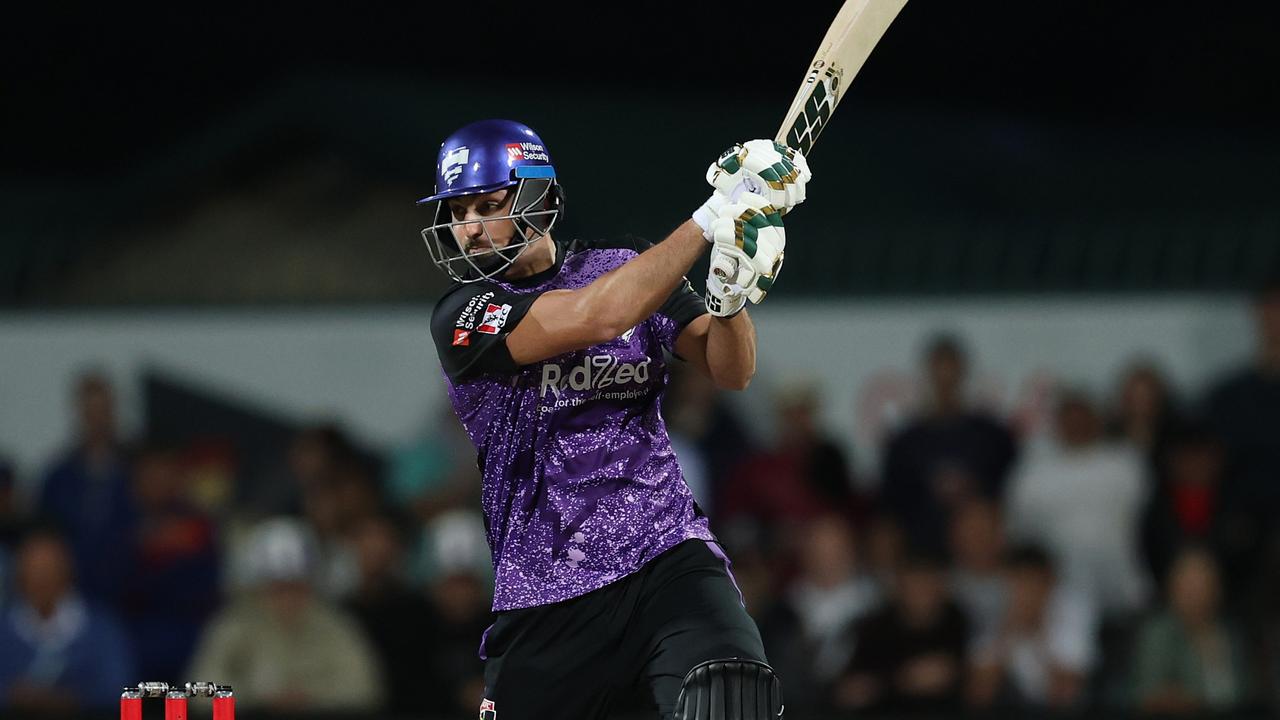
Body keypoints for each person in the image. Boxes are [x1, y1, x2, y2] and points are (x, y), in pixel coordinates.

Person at [420, 119, 808, 719]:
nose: (468, 228)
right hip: (547, 594)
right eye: (458, 210)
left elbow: (731, 371)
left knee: (732, 694)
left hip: (666, 557)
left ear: (537, 195)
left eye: (487, 205)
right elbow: (598, 316)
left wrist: (730, 299)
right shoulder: (464, 315)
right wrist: (711, 217)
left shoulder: (621, 266)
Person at [879, 334, 1018, 556]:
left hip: (982, 556)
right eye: (938, 369)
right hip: (923, 559)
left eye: (951, 368)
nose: (945, 378)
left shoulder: (993, 436)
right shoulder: (905, 442)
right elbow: (891, 509)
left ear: (963, 372)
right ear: (927, 374)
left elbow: (1009, 499)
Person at [0, 529, 134, 713]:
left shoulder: (102, 630)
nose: (41, 579)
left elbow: (117, 691)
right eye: (34, 569)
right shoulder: (4, 629)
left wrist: (68, 700)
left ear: (67, 571)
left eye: (49, 569)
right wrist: (14, 697)